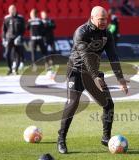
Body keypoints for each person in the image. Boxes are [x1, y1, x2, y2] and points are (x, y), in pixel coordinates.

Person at [57, 6, 129, 154]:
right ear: (92, 17)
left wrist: (120, 79)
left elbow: (113, 57)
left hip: (93, 74)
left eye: (105, 19)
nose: (104, 22)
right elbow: (86, 58)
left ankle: (106, 138)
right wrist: (96, 76)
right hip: (76, 72)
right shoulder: (81, 32)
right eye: (101, 19)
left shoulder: (107, 34)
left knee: (108, 104)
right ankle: (61, 139)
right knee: (73, 103)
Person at [2, 4, 25, 75]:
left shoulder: (20, 18)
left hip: (17, 38)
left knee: (18, 54)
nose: (11, 11)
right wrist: (3, 39)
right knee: (7, 54)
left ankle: (16, 70)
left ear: (15, 9)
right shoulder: (6, 18)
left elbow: (23, 29)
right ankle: (10, 68)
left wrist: (20, 36)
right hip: (9, 38)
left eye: (13, 9)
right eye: (10, 9)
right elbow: (4, 30)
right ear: (9, 10)